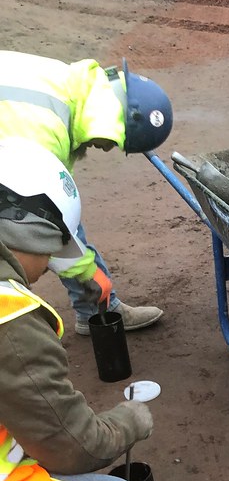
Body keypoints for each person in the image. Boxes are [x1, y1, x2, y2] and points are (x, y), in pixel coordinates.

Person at [0, 138, 154, 481]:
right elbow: (74, 447)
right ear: (23, 230)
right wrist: (129, 422)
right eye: (48, 252)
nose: (47, 267)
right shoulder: (9, 317)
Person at [0, 50, 173, 335]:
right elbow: (37, 224)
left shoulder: (70, 85)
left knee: (59, 206)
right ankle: (16, 330)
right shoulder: (43, 130)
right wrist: (88, 273)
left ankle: (94, 310)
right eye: (113, 142)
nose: (106, 149)